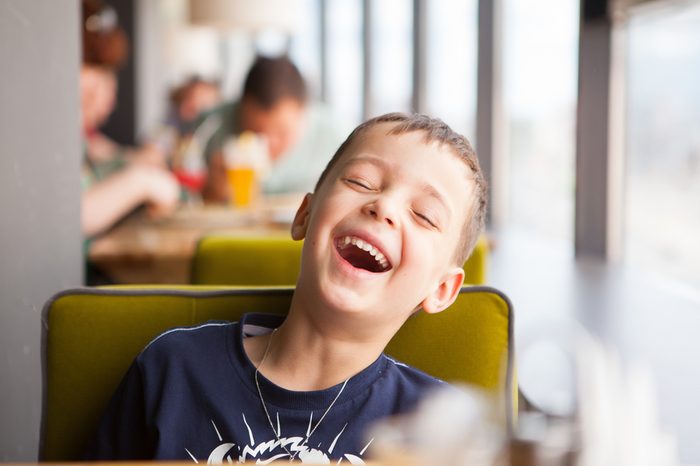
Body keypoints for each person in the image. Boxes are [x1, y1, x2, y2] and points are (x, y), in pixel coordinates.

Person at [85, 112, 488, 463]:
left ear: (441, 289)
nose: (384, 206)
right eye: (362, 182)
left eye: (424, 214)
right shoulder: (172, 370)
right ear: (304, 216)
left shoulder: (440, 427)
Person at [81, 0, 179, 238]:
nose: (105, 92)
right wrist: (142, 181)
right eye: (94, 69)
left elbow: (98, 148)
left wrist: (135, 159)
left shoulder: (82, 136)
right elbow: (71, 214)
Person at [201, 55, 344, 200]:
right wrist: (209, 191)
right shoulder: (208, 127)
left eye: (282, 133)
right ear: (240, 108)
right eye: (255, 132)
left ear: (304, 112)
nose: (269, 144)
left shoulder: (338, 137)